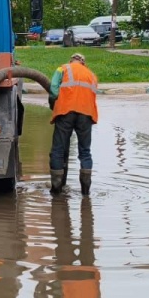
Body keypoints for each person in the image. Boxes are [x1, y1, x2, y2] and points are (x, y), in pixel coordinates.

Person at [48, 52, 99, 195]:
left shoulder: (62, 69)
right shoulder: (91, 75)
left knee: (58, 150)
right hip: (86, 114)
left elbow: (53, 89)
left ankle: (56, 189)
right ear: (83, 62)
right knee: (85, 152)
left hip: (65, 112)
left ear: (71, 60)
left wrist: (54, 103)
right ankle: (85, 191)